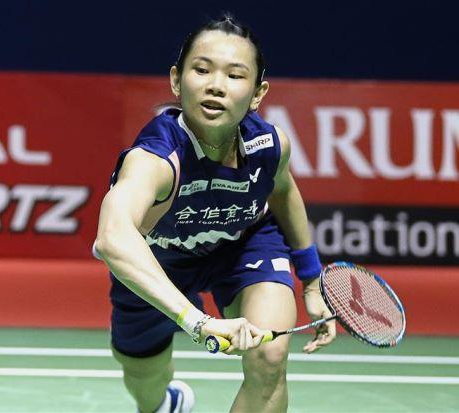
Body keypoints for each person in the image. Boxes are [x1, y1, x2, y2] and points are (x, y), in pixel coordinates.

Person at [94, 15, 336, 413]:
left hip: (243, 245)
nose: (216, 85)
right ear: (176, 80)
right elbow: (112, 238)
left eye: (235, 75)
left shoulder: (269, 145)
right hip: (158, 263)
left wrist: (311, 279)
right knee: (143, 377)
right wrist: (197, 321)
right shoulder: (156, 159)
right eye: (202, 70)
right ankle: (165, 404)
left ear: (257, 93)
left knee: (269, 357)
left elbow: (282, 190)